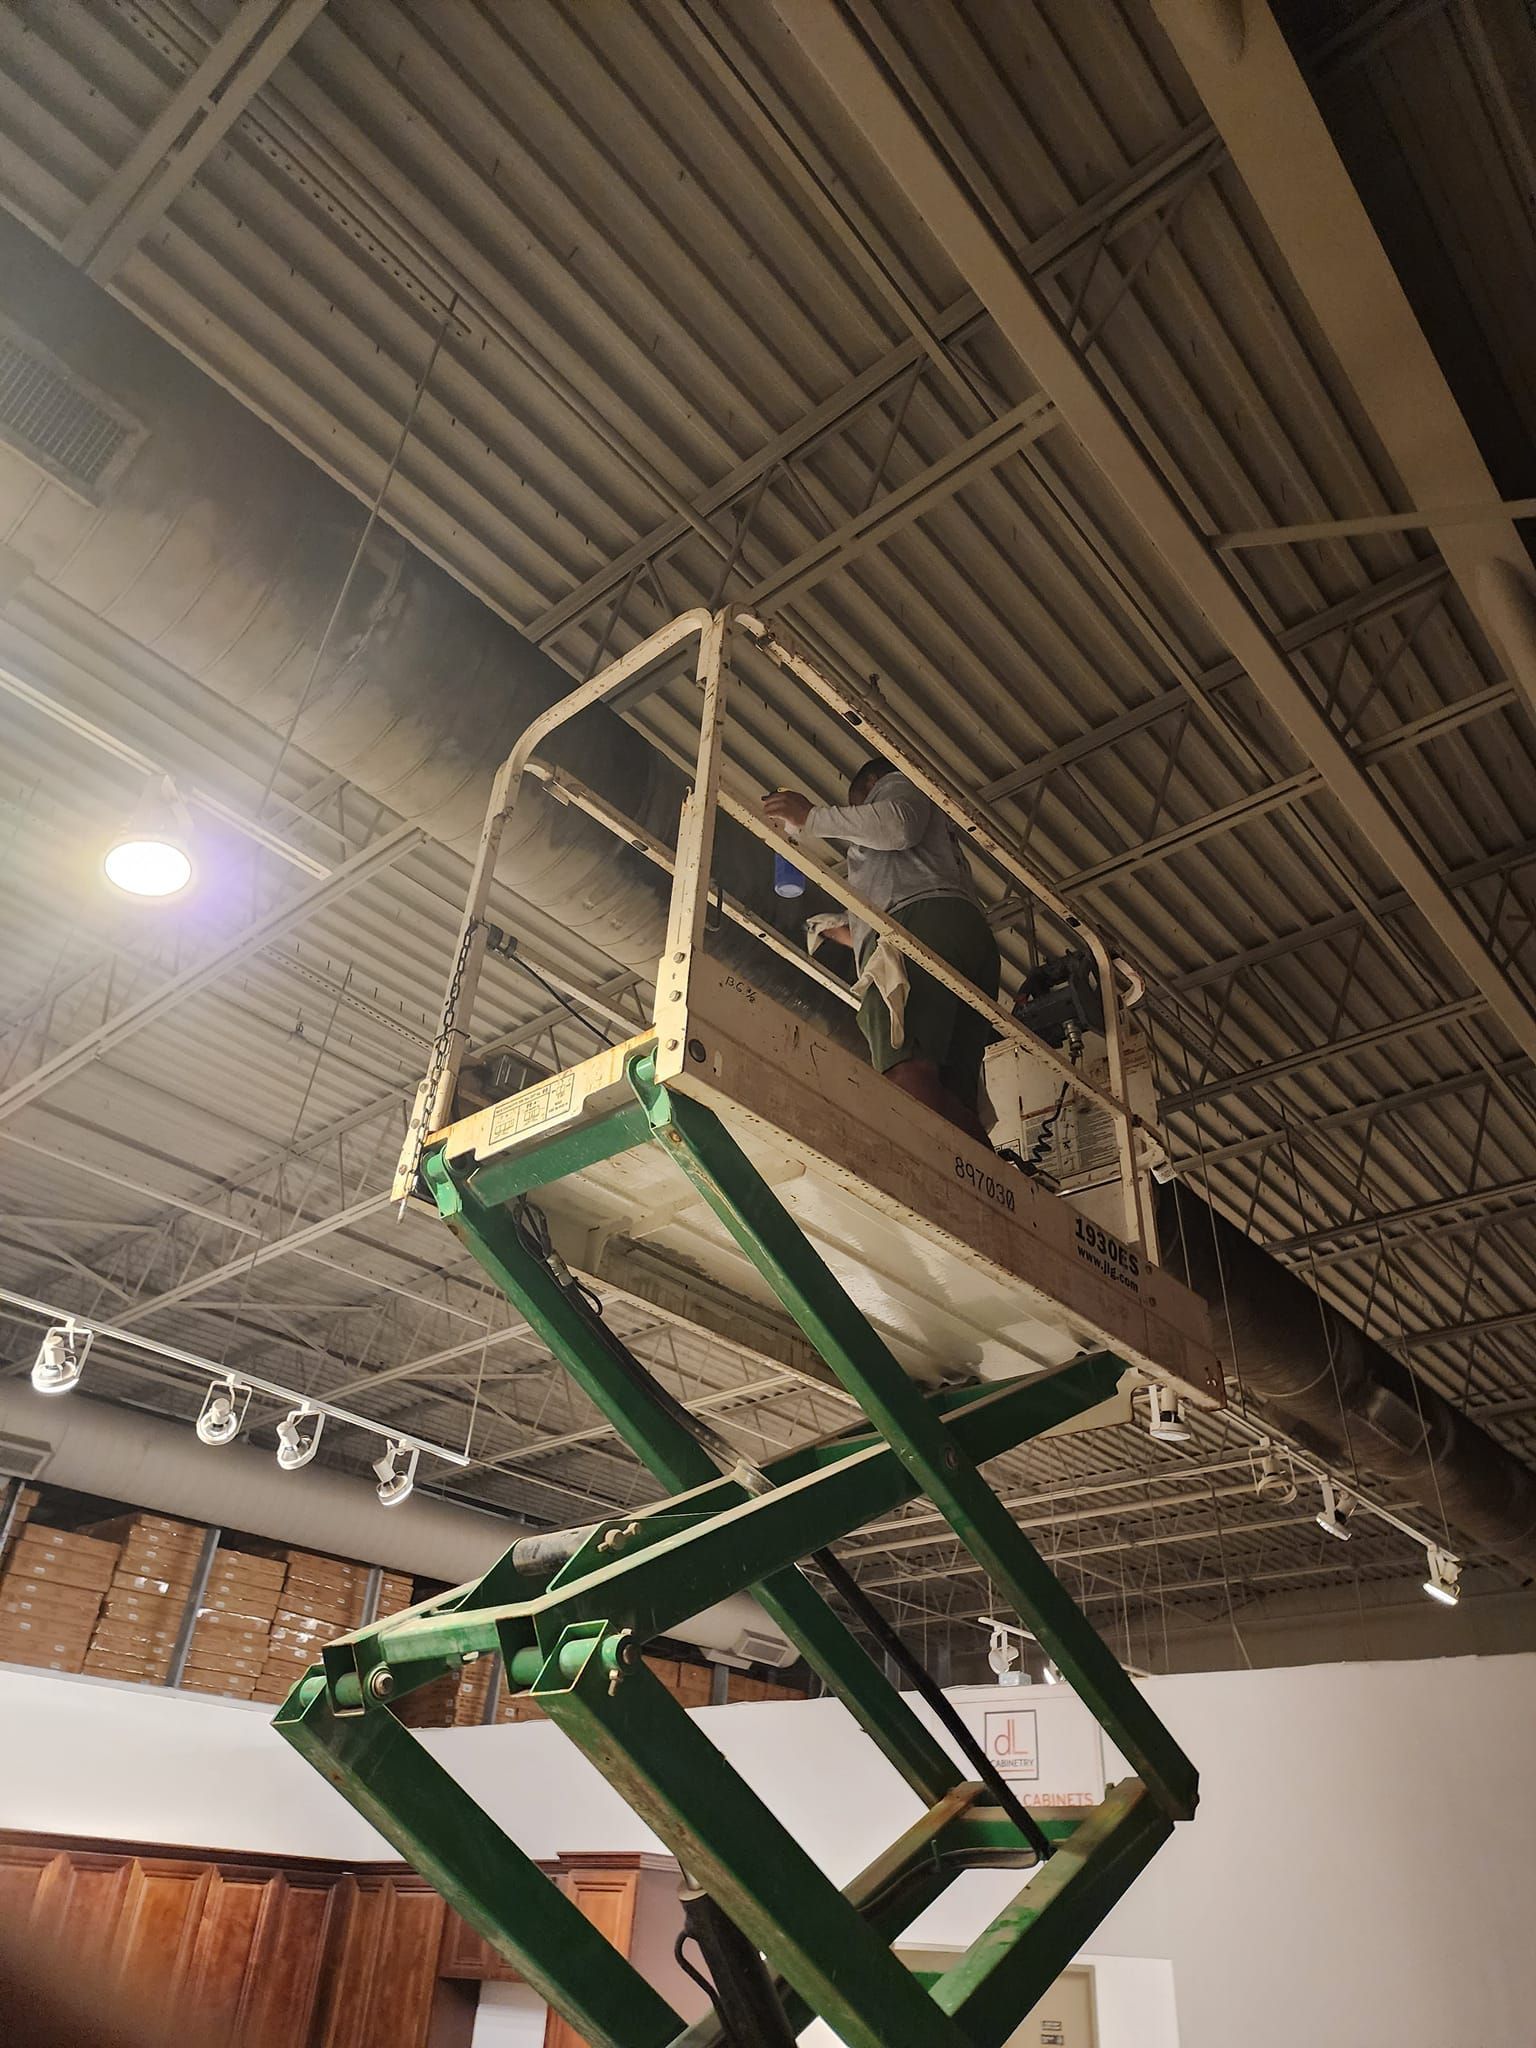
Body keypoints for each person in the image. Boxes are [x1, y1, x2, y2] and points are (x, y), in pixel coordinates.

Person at [763, 759, 1000, 1141]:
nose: (861, 815)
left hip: (920, 925)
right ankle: (994, 1185)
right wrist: (844, 930)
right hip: (962, 935)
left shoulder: (899, 782)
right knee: (950, 1098)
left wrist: (812, 818)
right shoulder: (930, 862)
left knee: (903, 1074)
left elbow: (896, 826)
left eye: (861, 803)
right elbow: (895, 889)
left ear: (873, 783)